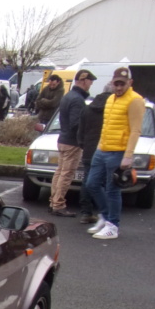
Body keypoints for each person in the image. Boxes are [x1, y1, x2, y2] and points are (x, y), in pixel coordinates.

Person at [84, 67, 145, 240]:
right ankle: (105, 216)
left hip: (118, 151)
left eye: (122, 84)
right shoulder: (110, 99)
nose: (118, 87)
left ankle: (113, 225)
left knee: (113, 189)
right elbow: (106, 126)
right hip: (103, 149)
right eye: (116, 83)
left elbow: (135, 130)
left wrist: (128, 155)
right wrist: (99, 146)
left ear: (130, 83)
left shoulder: (135, 100)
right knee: (92, 184)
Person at [47, 69, 96, 217]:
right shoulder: (77, 100)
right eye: (90, 82)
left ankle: (53, 201)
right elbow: (76, 123)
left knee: (60, 172)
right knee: (66, 174)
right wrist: (84, 136)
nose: (90, 85)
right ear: (83, 81)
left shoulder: (68, 96)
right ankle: (58, 204)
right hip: (72, 142)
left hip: (63, 138)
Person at [76, 87, 111, 224]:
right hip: (107, 149)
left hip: (89, 149)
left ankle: (86, 212)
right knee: (108, 183)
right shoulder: (113, 109)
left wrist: (83, 144)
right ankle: (105, 212)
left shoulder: (88, 108)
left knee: (88, 181)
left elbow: (80, 130)